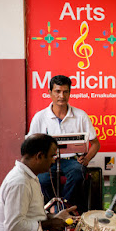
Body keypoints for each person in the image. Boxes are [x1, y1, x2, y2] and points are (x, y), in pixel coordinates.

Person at [26, 75, 101, 213]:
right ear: (50, 93)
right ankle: (53, 207)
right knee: (42, 179)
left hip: (72, 160)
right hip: (47, 161)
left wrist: (87, 158)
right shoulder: (40, 117)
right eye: (58, 91)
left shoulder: (81, 115)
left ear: (70, 93)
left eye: (65, 92)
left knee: (77, 174)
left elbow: (95, 144)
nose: (62, 96)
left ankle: (63, 208)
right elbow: (30, 144)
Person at [0, 134, 76, 231]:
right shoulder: (20, 182)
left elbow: (30, 214)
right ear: (39, 156)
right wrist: (48, 224)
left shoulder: (29, 176)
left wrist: (52, 217)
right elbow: (13, 228)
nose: (53, 160)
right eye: (52, 156)